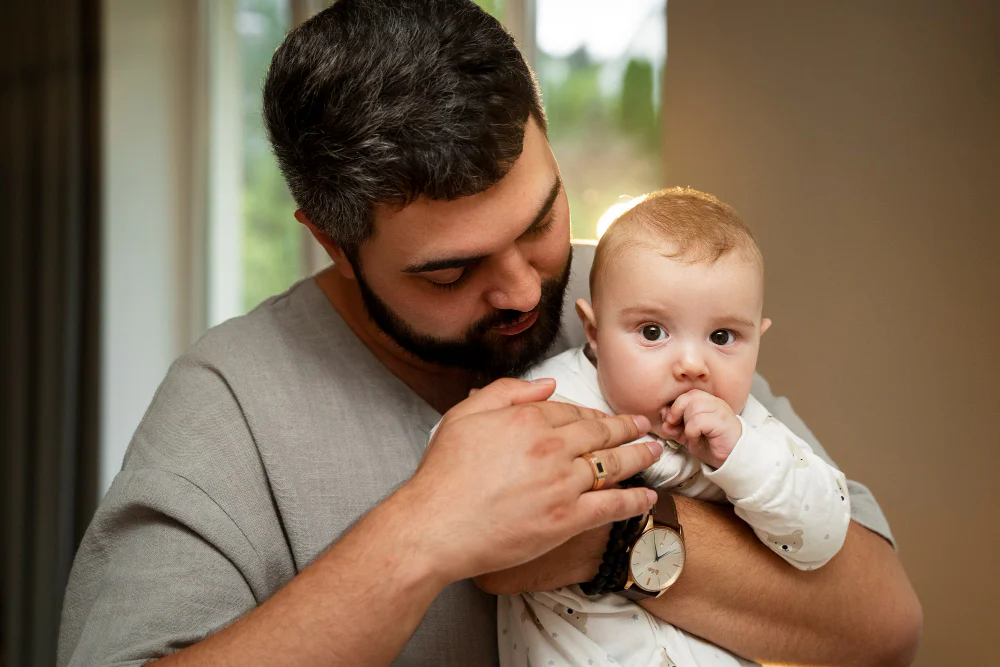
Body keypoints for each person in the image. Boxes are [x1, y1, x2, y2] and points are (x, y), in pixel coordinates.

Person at [57, 1, 921, 666]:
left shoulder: (635, 307)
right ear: (330, 238)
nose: (523, 286)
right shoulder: (230, 402)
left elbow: (884, 621)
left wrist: (609, 540)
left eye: (542, 220)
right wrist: (424, 531)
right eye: (449, 270)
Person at [500, 188, 851, 667]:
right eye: (652, 332)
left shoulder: (749, 428)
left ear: (758, 340)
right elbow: (464, 471)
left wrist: (742, 458)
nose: (692, 364)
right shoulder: (552, 394)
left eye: (723, 337)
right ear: (595, 332)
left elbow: (822, 538)